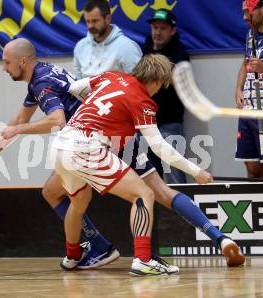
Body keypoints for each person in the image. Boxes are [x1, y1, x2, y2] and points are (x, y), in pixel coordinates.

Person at [64, 55, 246, 272]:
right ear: (159, 81)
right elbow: (160, 146)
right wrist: (196, 171)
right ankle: (217, 239)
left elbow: (74, 87)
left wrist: (95, 109)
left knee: (74, 202)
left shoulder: (111, 76)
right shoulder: (143, 100)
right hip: (102, 145)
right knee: (155, 192)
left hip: (82, 143)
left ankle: (72, 255)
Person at [0, 38, 121, 269]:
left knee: (66, 195)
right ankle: (92, 245)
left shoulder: (41, 82)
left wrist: (19, 130)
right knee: (52, 192)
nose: (4, 68)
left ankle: (97, 248)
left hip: (91, 141)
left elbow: (57, 120)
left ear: (22, 61)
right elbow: (20, 119)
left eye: (7, 63)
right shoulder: (42, 74)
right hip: (94, 136)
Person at [140, 8, 188, 184]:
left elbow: (177, 80)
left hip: (170, 123)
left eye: (163, 28)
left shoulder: (180, 54)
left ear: (172, 30)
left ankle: (180, 211)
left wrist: (154, 74)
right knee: (147, 174)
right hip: (144, 123)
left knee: (174, 173)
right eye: (155, 27)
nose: (158, 32)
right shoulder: (143, 50)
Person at [235, 0, 263, 178]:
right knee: (252, 166)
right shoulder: (250, 34)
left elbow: (259, 66)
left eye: (249, 12)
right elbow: (245, 63)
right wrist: (238, 89)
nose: (245, 17)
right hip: (248, 110)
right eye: (243, 12)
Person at [73, 0, 142, 80]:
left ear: (108, 19)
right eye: (87, 21)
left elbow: (138, 85)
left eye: (95, 21)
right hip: (86, 92)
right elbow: (77, 82)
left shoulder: (127, 47)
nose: (90, 26)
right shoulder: (80, 46)